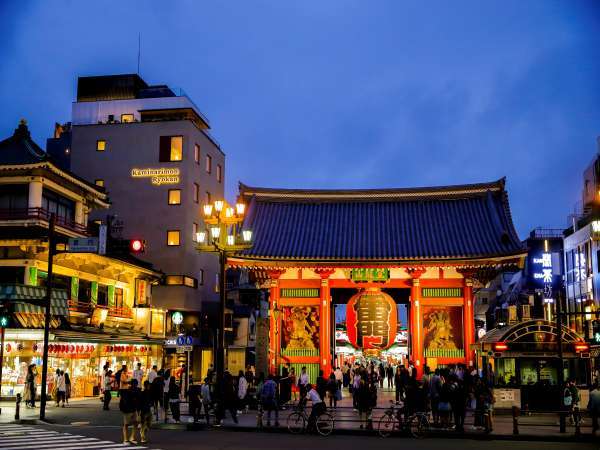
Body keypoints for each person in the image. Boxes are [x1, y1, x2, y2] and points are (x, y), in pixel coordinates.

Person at [120, 379, 140, 445]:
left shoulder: (136, 390)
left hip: (133, 409)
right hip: (128, 410)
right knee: (126, 424)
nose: (136, 385)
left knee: (136, 422)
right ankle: (126, 439)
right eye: (135, 384)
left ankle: (132, 437)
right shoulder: (127, 391)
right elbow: (124, 401)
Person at [138, 380, 153, 444]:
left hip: (148, 410)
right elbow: (140, 403)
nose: (149, 386)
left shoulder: (149, 392)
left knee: (149, 424)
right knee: (144, 424)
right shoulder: (143, 393)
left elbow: (150, 400)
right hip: (144, 410)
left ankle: (142, 432)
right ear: (147, 385)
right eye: (149, 385)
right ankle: (143, 438)